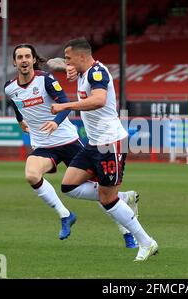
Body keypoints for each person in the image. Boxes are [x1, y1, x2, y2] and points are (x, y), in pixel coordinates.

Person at [4, 44, 140, 248]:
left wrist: (55, 122)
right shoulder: (10, 88)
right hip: (42, 145)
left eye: (27, 56)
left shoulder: (45, 79)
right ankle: (65, 215)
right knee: (31, 175)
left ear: (33, 60)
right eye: (19, 57)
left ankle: (127, 231)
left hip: (67, 141)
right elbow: (16, 104)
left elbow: (64, 103)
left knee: (103, 192)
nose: (24, 60)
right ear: (15, 62)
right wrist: (19, 120)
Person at [49, 38, 158, 262]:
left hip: (110, 143)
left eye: (70, 58)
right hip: (93, 143)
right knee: (69, 186)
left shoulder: (97, 73)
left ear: (82, 57)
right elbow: (59, 62)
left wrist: (65, 105)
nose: (67, 63)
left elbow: (99, 100)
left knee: (107, 200)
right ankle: (124, 197)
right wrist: (63, 65)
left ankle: (146, 242)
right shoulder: (81, 71)